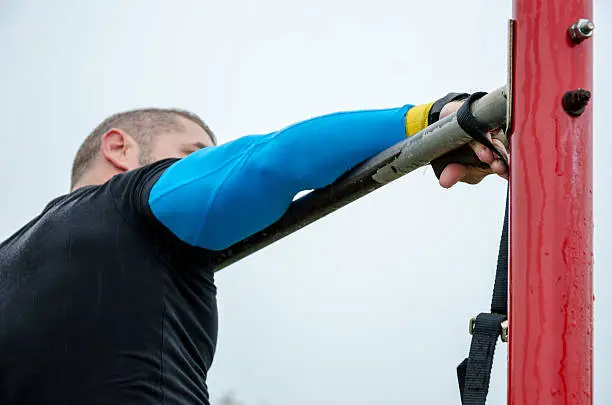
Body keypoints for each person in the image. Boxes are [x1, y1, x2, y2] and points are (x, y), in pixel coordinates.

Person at [0, 92, 509, 405]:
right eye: (195, 154)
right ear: (119, 148)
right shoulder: (128, 202)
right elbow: (273, 160)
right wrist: (435, 122)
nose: (205, 166)